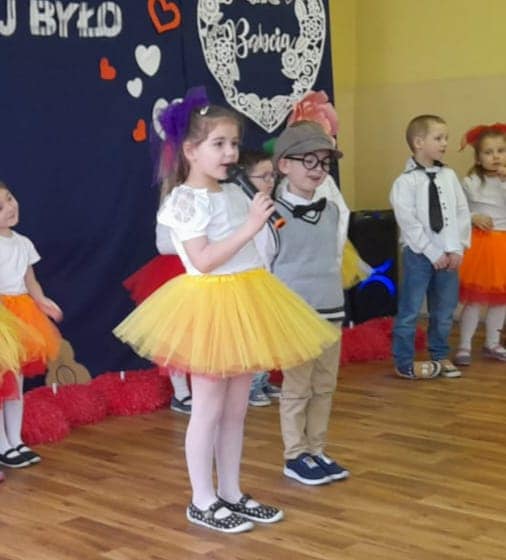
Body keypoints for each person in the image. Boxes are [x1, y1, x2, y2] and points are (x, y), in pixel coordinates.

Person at [113, 87, 340, 533]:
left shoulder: (234, 191)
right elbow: (203, 260)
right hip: (211, 306)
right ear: (190, 151)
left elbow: (252, 249)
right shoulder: (184, 200)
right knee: (208, 410)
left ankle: (232, 492)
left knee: (236, 410)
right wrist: (251, 226)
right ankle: (202, 498)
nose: (230, 153)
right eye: (218, 144)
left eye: (234, 143)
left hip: (246, 298)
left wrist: (258, 224)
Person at [256, 121, 350, 486]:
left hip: (331, 309)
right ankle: (295, 454)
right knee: (297, 387)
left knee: (325, 385)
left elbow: (333, 256)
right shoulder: (271, 216)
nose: (317, 169)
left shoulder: (332, 211)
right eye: (308, 160)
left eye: (324, 162)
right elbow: (265, 267)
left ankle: (317, 448)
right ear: (284, 165)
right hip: (295, 315)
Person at [390, 115, 471, 379]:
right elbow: (409, 222)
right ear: (418, 142)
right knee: (410, 310)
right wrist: (431, 252)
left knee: (444, 311)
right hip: (419, 255)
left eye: (446, 138)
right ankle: (404, 361)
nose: (445, 143)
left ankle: (439, 354)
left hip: (449, 254)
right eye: (438, 138)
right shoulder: (405, 182)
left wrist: (458, 248)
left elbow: (461, 212)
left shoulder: (449, 176)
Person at [0, 181, 63, 468]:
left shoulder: (23, 243)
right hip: (3, 317)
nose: (9, 207)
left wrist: (42, 301)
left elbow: (30, 281)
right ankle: (3, 444)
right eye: (0, 207)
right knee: (3, 384)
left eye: (10, 198)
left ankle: (15, 439)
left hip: (22, 314)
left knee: (17, 382)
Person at [122, 215, 192, 415]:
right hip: (175, 273)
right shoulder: (170, 208)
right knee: (174, 337)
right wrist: (197, 246)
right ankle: (181, 393)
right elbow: (163, 245)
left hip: (203, 271)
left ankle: (205, 389)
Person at [455, 123, 506, 365]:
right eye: (488, 152)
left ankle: (492, 343)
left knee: (501, 301)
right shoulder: (471, 182)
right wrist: (474, 217)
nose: (496, 156)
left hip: (503, 245)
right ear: (478, 158)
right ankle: (464, 345)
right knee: (474, 300)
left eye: (501, 151)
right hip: (480, 245)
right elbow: (458, 211)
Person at [237, 149, 282, 407]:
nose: (270, 181)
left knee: (266, 333)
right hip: (247, 282)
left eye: (272, 175)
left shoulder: (269, 209)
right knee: (251, 336)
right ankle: (249, 385)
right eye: (263, 176)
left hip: (267, 278)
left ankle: (262, 378)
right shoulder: (242, 211)